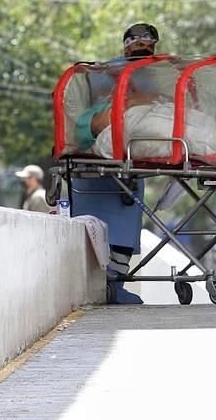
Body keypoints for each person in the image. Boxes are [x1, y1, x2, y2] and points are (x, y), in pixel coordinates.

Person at [70, 23, 162, 305]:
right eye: (136, 39)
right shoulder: (100, 75)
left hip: (138, 152)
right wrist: (130, 103)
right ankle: (102, 284)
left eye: (148, 39)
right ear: (125, 44)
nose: (141, 44)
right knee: (95, 227)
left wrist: (146, 103)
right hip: (101, 151)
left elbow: (163, 105)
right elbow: (95, 120)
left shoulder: (164, 74)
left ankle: (115, 283)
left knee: (124, 225)